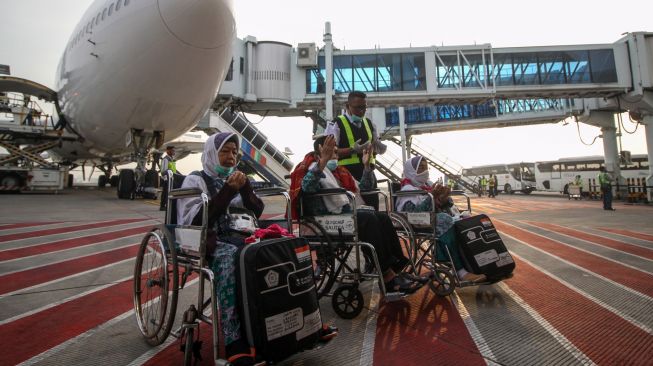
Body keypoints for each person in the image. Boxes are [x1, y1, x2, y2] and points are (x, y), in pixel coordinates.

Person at [178, 133, 336, 365]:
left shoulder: (238, 178)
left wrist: (243, 189)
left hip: (246, 235)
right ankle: (235, 341)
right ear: (212, 153)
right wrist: (229, 191)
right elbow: (198, 221)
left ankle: (304, 323)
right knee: (232, 256)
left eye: (234, 152)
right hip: (213, 240)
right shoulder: (196, 181)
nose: (231, 157)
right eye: (225, 151)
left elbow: (257, 210)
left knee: (284, 248)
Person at [289, 135, 420, 293]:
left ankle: (396, 267)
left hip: (345, 215)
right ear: (319, 153)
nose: (335, 155)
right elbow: (307, 187)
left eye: (336, 152)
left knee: (383, 218)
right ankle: (387, 275)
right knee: (368, 218)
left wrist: (366, 167)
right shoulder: (311, 168)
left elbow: (363, 187)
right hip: (325, 219)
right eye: (331, 152)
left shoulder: (340, 172)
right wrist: (322, 162)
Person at [395, 156, 487, 283]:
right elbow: (414, 213)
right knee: (444, 220)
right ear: (411, 170)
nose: (425, 171)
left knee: (465, 219)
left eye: (426, 167)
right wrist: (432, 196)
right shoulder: (407, 190)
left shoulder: (428, 184)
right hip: (415, 221)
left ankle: (474, 263)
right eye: (421, 168)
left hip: (431, 218)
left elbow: (438, 205)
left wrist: (444, 198)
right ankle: (461, 272)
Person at [324, 91, 387, 209]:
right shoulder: (336, 124)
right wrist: (352, 150)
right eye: (358, 108)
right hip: (346, 175)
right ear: (348, 106)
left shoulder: (370, 124)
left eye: (364, 107)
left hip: (368, 172)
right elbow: (328, 152)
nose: (362, 111)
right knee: (355, 211)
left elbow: (373, 150)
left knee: (373, 208)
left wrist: (376, 148)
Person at [159, 146, 177, 211]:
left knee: (168, 193)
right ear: (167, 151)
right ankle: (162, 206)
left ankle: (166, 205)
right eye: (172, 150)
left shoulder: (172, 159)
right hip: (166, 179)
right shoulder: (166, 159)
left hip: (171, 178)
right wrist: (166, 178)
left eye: (174, 150)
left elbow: (174, 169)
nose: (174, 152)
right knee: (165, 193)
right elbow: (163, 170)